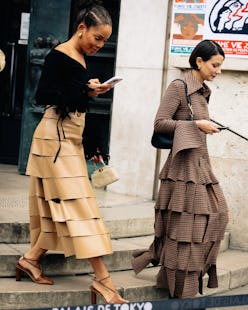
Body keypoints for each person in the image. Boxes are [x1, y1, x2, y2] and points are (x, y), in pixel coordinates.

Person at [15, 0, 128, 305]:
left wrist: (93, 147)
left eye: (105, 40)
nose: (100, 45)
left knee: (58, 207)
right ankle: (103, 280)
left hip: (69, 139)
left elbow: (79, 107)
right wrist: (85, 90)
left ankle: (30, 259)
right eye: (97, 38)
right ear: (81, 28)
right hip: (55, 141)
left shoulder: (80, 56)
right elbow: (44, 96)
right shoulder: (59, 56)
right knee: (80, 210)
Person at [132, 40, 229, 298]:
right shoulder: (179, 86)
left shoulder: (201, 92)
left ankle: (179, 283)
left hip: (200, 166)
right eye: (215, 65)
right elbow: (160, 123)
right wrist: (197, 125)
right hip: (182, 170)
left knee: (218, 216)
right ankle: (181, 292)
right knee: (185, 230)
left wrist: (203, 124)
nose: (218, 71)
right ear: (199, 61)